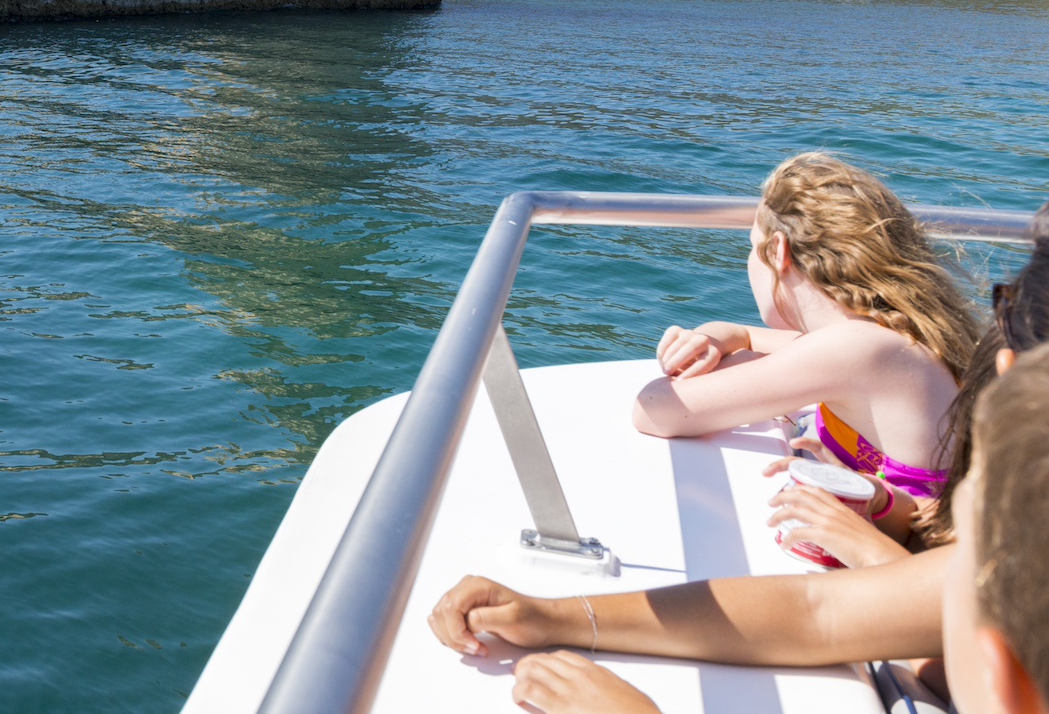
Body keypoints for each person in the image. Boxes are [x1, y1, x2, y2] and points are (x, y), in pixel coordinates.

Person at [426, 201, 1049, 713]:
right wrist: (553, 616)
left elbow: (835, 617)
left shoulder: (1001, 581)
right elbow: (817, 613)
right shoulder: (1017, 561)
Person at [633, 153, 980, 543]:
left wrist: (723, 361)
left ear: (778, 250)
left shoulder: (854, 347)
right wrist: (714, 338)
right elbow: (748, 338)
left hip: (912, 557)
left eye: (752, 246)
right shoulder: (885, 332)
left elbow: (657, 410)